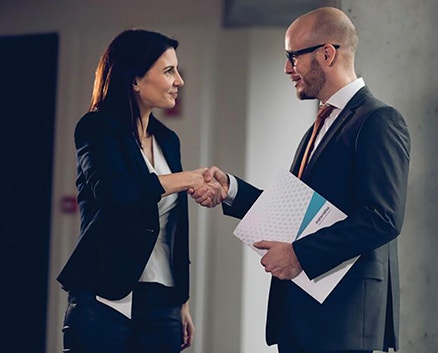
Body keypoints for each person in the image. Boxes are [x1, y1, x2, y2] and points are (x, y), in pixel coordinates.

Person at [194, 6, 410, 353]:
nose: (286, 68)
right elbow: (295, 211)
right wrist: (231, 190)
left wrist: (299, 255)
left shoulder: (379, 120)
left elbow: (382, 218)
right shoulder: (320, 125)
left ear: (327, 53)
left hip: (344, 320)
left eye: (292, 56)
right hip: (303, 317)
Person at [57, 29, 224, 353]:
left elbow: (176, 226)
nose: (179, 80)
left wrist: (182, 300)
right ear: (134, 80)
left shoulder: (167, 139)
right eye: (168, 71)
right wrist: (186, 178)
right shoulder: (96, 128)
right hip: (104, 294)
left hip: (163, 299)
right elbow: (116, 194)